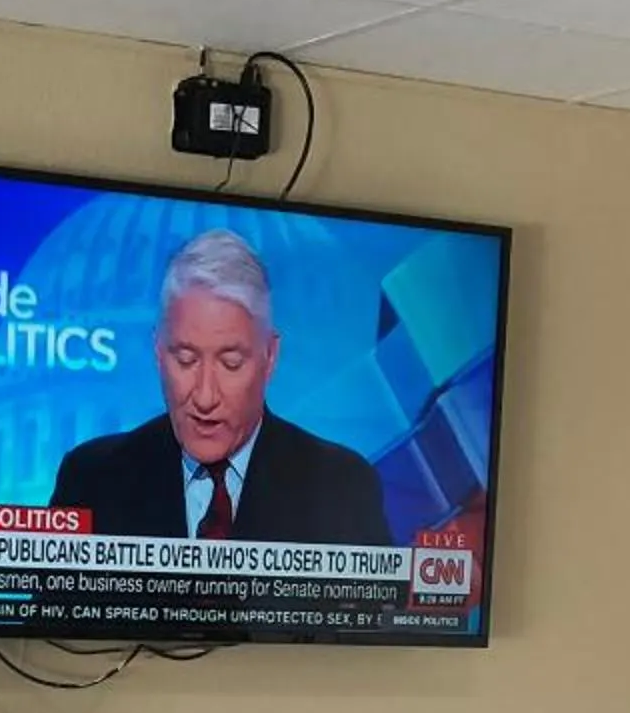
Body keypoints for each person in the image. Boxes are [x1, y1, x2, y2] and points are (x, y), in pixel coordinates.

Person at [49, 229, 391, 545]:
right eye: (185, 360)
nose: (205, 397)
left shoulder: (342, 488)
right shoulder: (91, 480)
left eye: (231, 363)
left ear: (270, 357)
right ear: (158, 353)